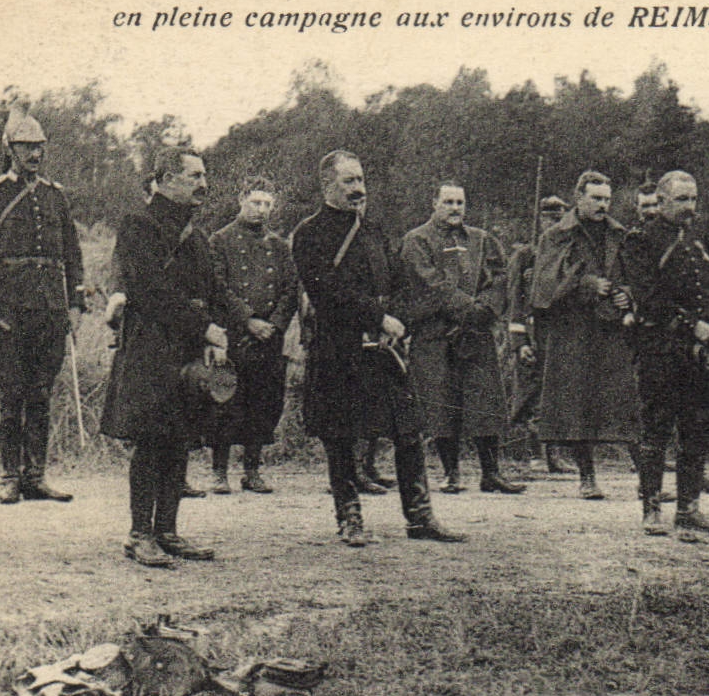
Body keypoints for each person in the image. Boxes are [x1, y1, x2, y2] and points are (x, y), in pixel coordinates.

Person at [291, 150, 466, 547]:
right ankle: (350, 518)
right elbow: (328, 292)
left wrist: (398, 321)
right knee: (340, 436)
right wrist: (377, 318)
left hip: (382, 350)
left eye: (361, 179)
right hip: (338, 351)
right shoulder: (309, 234)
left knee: (407, 429)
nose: (358, 188)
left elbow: (401, 281)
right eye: (349, 181)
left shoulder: (372, 230)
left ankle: (420, 516)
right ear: (327, 186)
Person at [100, 148, 233, 567]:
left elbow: (210, 288)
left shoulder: (193, 233)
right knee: (151, 439)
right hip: (150, 346)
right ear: (166, 179)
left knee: (178, 439)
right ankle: (140, 535)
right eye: (194, 175)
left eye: (204, 176)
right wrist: (203, 328)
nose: (203, 184)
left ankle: (168, 531)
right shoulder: (138, 224)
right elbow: (150, 291)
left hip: (186, 350)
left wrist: (217, 332)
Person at [0, 108, 87, 504]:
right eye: (27, 146)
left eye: (40, 147)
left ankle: (36, 476)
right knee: (12, 395)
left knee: (41, 394)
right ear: (10, 149)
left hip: (50, 311)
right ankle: (9, 476)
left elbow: (73, 254)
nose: (35, 154)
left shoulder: (55, 195)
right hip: (8, 312)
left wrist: (76, 306)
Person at [619, 170, 709, 536]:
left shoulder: (699, 239)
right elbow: (650, 299)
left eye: (694, 198)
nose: (690, 206)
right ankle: (651, 508)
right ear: (662, 202)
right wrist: (691, 325)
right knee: (657, 429)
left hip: (698, 353)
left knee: (696, 428)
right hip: (660, 350)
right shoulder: (640, 241)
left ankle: (688, 509)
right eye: (682, 199)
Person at [401, 182, 524, 496]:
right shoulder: (416, 240)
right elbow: (430, 283)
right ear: (434, 203)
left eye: (460, 202)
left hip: (476, 333)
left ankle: (491, 473)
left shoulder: (482, 240)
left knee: (485, 400)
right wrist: (468, 308)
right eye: (448, 202)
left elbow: (500, 278)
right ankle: (451, 472)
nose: (455, 208)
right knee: (442, 402)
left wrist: (485, 309)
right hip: (435, 335)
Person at [530, 171, 640, 500]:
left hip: (610, 330)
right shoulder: (555, 236)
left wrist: (628, 295)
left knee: (624, 401)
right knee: (576, 403)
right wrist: (586, 285)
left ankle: (646, 476)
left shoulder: (619, 235)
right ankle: (587, 476)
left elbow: (635, 274)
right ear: (579, 197)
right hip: (573, 330)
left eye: (607, 198)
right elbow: (544, 285)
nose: (602, 205)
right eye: (596, 198)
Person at [206, 175, 300, 494]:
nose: (261, 210)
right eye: (255, 203)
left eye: (267, 204)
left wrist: (274, 324)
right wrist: (248, 321)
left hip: (269, 337)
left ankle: (252, 470)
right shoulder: (219, 240)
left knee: (264, 403)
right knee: (226, 400)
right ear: (241, 201)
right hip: (234, 335)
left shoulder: (279, 245)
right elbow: (217, 287)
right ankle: (219, 471)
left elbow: (291, 289)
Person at [505, 195, 573, 473]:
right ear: (539, 219)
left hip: (557, 336)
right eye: (548, 217)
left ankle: (554, 456)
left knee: (555, 395)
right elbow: (514, 302)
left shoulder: (568, 254)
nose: (552, 223)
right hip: (531, 333)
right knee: (528, 395)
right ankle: (525, 456)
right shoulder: (525, 256)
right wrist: (519, 342)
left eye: (558, 218)